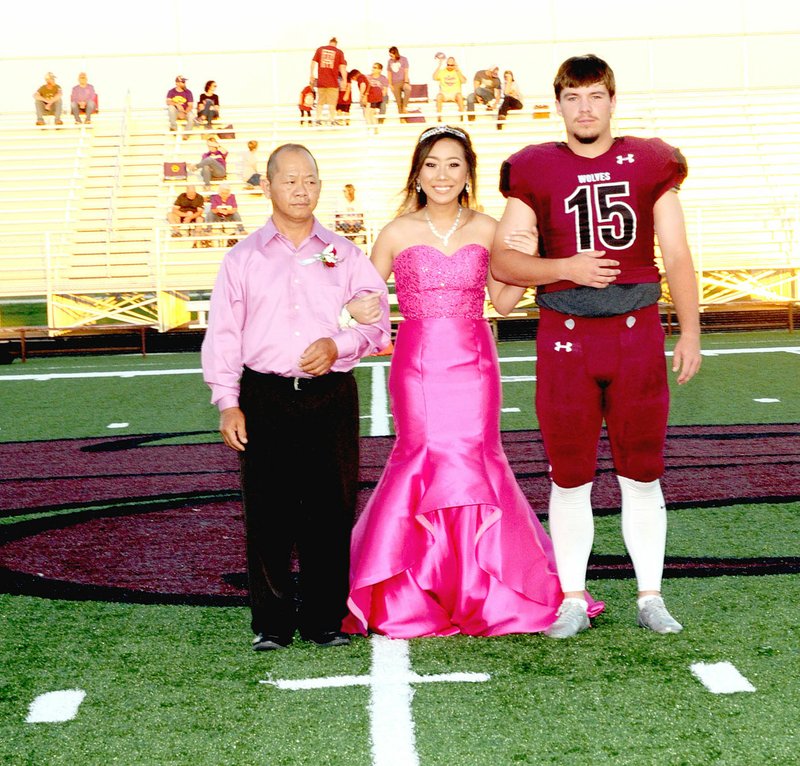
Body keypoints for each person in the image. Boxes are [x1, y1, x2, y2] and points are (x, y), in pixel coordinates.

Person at [343, 124, 603, 639]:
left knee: (477, 459)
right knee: (420, 456)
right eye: (433, 164)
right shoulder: (395, 232)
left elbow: (503, 303)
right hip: (417, 364)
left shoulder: (488, 228)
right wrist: (355, 308)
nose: (442, 174)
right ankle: (406, 590)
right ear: (417, 173)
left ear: (468, 173)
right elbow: (362, 301)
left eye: (454, 164)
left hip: (474, 361)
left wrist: (528, 253)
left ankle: (491, 589)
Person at [492, 54, 702, 638]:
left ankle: (651, 595)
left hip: (634, 335)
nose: (585, 108)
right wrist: (566, 267)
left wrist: (690, 330)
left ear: (612, 100)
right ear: (558, 103)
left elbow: (677, 253)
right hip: (565, 339)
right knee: (569, 476)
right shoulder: (534, 167)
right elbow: (504, 259)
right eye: (573, 97)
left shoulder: (650, 161)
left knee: (641, 472)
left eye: (595, 96)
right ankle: (571, 598)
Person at [201, 143, 390, 651]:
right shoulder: (241, 259)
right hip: (265, 395)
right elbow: (223, 335)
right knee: (268, 510)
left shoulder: (346, 254)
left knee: (330, 508)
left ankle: (325, 619)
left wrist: (338, 344)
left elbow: (378, 324)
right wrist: (228, 401)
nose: (301, 189)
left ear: (319, 186)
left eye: (309, 179)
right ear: (268, 187)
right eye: (289, 180)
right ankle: (273, 623)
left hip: (330, 395)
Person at [310, 36, 347, 125]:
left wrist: (311, 74)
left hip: (321, 81)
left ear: (329, 42)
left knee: (320, 101)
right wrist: (344, 80)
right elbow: (342, 67)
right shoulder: (339, 52)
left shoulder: (320, 49)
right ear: (336, 44)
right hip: (333, 82)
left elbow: (313, 62)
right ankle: (331, 119)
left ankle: (318, 119)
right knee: (332, 102)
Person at [432, 56, 466, 122]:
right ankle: (439, 117)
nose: (450, 66)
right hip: (444, 94)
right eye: (448, 65)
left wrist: (457, 69)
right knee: (439, 96)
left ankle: (462, 116)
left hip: (455, 93)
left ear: (454, 65)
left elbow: (464, 81)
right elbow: (434, 77)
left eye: (451, 65)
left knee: (459, 96)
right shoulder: (442, 71)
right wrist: (439, 65)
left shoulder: (457, 72)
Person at [387, 46, 410, 119]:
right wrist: (390, 84)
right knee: (398, 101)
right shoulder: (389, 61)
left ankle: (405, 106)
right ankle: (402, 118)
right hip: (395, 82)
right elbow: (389, 72)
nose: (391, 57)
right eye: (390, 55)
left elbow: (406, 70)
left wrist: (406, 81)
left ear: (395, 53)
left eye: (392, 55)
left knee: (408, 89)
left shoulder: (403, 59)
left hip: (403, 80)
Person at [364, 63, 388, 128]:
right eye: (373, 67)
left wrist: (378, 96)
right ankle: (370, 125)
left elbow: (385, 91)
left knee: (383, 108)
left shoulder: (383, 78)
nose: (373, 69)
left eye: (375, 67)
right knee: (368, 109)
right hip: (370, 98)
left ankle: (379, 124)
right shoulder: (368, 77)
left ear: (380, 70)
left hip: (380, 97)